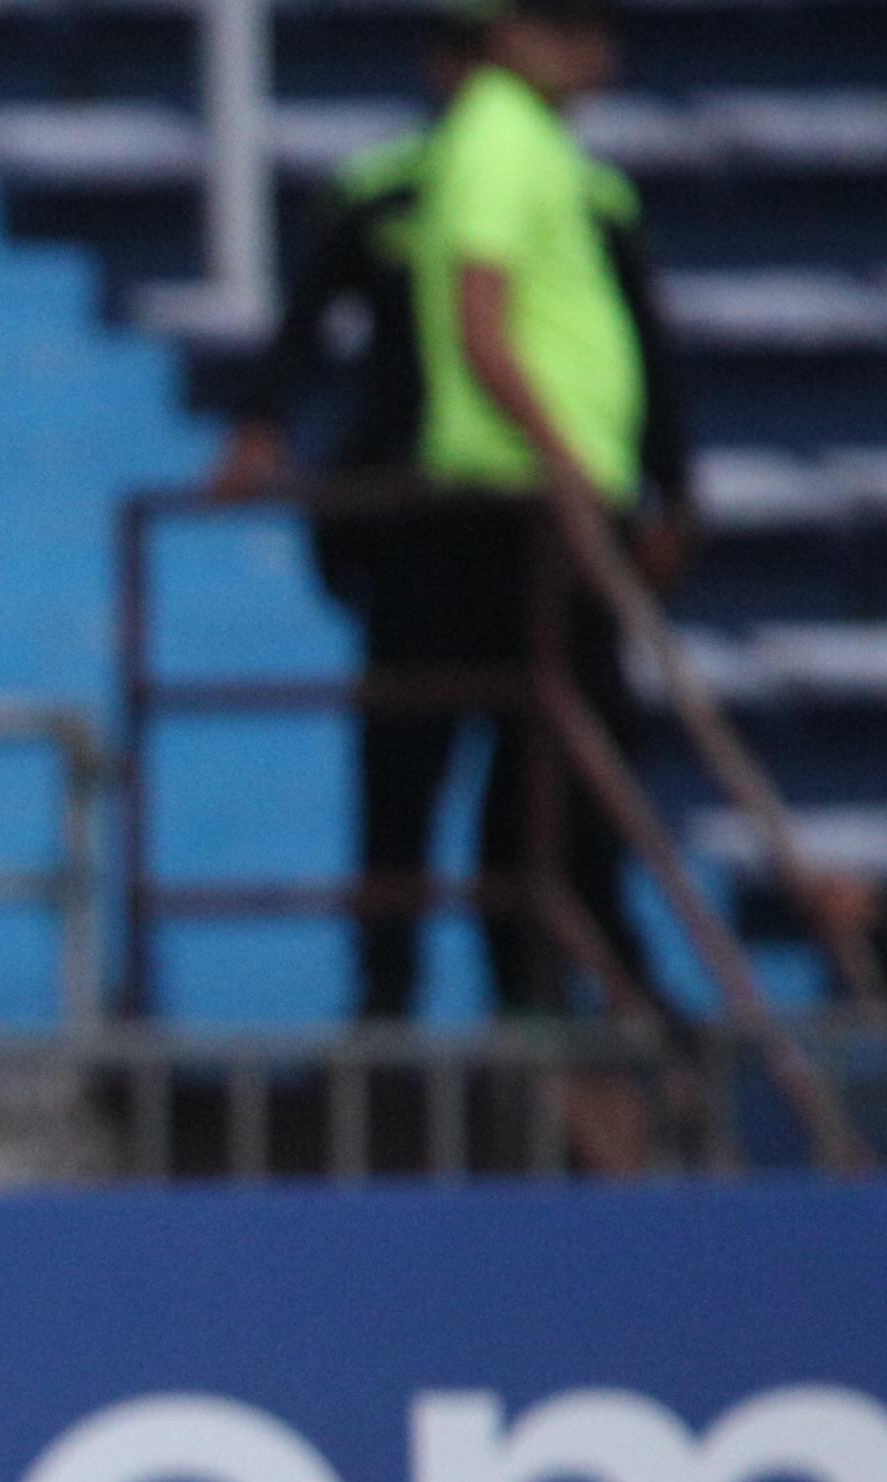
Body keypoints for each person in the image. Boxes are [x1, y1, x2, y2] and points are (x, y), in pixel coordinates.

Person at [209, 0, 691, 1024]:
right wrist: (259, 422)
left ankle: (571, 995)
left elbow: (636, 350)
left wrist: (667, 485)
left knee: (553, 774)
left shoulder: (579, 186)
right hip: (441, 512)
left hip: (517, 504)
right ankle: (401, 1007)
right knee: (418, 762)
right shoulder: (410, 180)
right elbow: (318, 322)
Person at [410, 0, 672, 1165]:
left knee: (560, 774)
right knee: (559, 775)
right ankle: (590, 1025)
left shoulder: (530, 144)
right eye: (570, 29)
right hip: (522, 508)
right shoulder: (497, 138)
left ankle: (599, 1020)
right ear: (510, 36)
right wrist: (564, 463)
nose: (598, 56)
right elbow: (479, 320)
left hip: (542, 502)